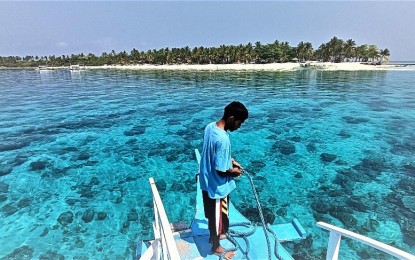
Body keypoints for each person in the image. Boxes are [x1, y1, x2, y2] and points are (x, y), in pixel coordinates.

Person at [199, 101, 248, 259]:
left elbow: (214, 153)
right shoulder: (224, 140)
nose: (239, 126)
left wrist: (230, 161)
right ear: (232, 118)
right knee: (217, 216)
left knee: (213, 215)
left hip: (206, 182)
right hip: (217, 187)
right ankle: (216, 247)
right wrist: (233, 172)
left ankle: (216, 236)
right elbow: (221, 169)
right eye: (239, 122)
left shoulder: (210, 127)